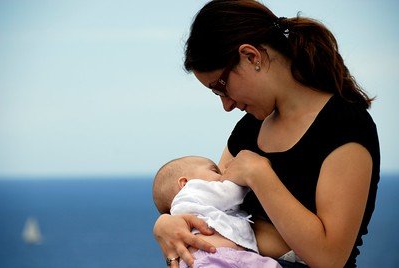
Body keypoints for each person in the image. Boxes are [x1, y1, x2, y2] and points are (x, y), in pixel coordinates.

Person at [153, 1, 380, 267]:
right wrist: (165, 224)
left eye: (221, 88)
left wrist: (259, 175)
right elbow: (208, 212)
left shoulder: (344, 126)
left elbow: (328, 258)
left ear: (251, 56)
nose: (226, 106)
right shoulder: (248, 129)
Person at [152, 155, 283, 267]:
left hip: (241, 258)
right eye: (215, 171)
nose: (223, 176)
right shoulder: (191, 191)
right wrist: (250, 176)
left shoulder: (205, 203)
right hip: (212, 257)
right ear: (184, 183)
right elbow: (230, 193)